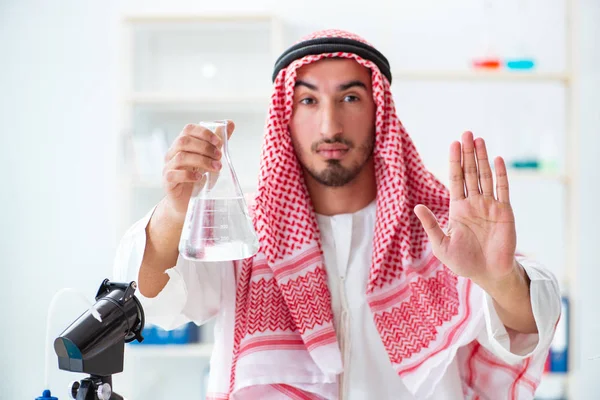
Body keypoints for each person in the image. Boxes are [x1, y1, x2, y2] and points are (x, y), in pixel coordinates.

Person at [113, 30, 562, 399]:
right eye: (308, 101)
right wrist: (175, 209)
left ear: (380, 114)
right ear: (285, 117)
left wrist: (498, 279)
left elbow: (527, 329)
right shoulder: (243, 232)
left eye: (350, 98)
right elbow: (155, 302)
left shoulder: (444, 233)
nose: (330, 125)